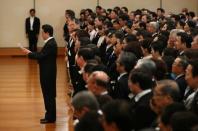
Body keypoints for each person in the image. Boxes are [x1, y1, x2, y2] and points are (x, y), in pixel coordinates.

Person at [21, 24, 57, 124]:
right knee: (47, 95)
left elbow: (41, 56)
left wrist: (28, 53)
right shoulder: (50, 42)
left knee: (48, 95)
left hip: (48, 74)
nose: (41, 34)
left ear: (47, 33)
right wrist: (29, 52)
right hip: (47, 72)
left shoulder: (51, 44)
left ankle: (50, 117)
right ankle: (49, 116)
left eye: (42, 32)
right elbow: (42, 55)